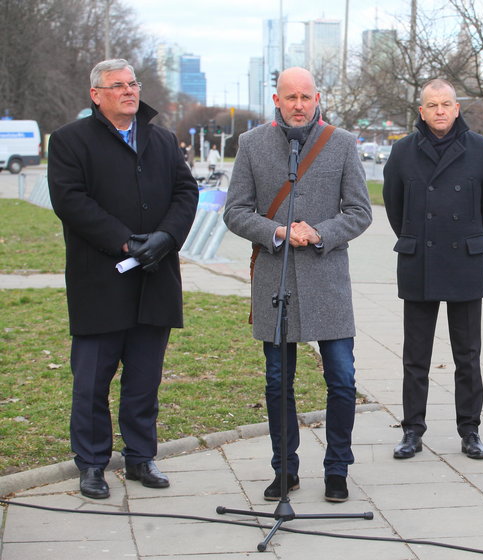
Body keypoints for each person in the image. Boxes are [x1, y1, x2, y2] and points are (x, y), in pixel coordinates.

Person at [47, 59, 198, 499]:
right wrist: (126, 242)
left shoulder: (162, 139)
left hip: (155, 278)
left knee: (144, 380)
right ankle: (92, 464)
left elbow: (186, 192)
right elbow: (71, 201)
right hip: (101, 282)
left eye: (133, 84)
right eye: (118, 86)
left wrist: (166, 237)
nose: (130, 91)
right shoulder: (70, 141)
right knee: (92, 381)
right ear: (96, 95)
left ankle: (140, 457)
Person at [223, 67, 372, 503]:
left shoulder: (342, 144)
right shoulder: (251, 144)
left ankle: (338, 468)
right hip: (276, 278)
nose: (299, 104)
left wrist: (319, 232)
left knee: (343, 379)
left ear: (317, 97)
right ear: (277, 100)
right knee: (277, 381)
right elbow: (235, 211)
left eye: (306, 96)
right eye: (291, 97)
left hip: (328, 282)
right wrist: (278, 231)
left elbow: (360, 212)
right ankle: (284, 469)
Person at [383, 78, 483, 460]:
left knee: (467, 354)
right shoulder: (402, 151)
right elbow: (394, 206)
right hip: (419, 262)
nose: (439, 110)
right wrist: (415, 238)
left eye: (446, 104)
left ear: (456, 108)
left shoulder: (481, 151)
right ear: (421, 111)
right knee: (414, 357)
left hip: (464, 262)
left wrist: (470, 237)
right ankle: (412, 432)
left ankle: (470, 430)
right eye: (431, 105)